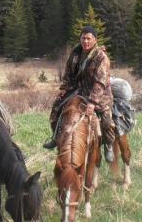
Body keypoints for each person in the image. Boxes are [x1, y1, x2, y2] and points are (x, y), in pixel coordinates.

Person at [44, 25, 115, 163]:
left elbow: (100, 82)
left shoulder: (101, 57)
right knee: (57, 107)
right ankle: (56, 137)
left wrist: (92, 102)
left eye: (88, 38)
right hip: (78, 90)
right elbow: (68, 72)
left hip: (99, 95)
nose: (85, 41)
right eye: (83, 38)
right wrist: (65, 88)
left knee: (107, 120)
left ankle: (109, 144)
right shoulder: (76, 53)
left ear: (95, 40)